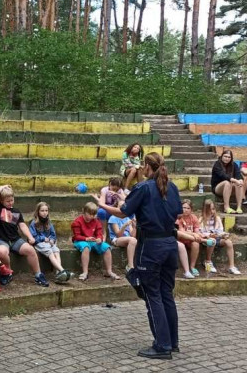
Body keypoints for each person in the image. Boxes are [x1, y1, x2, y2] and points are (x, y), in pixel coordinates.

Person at [92, 152, 182, 359]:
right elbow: (174, 211)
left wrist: (101, 204)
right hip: (170, 244)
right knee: (166, 293)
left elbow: (123, 212)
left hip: (151, 246)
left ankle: (162, 345)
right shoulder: (172, 186)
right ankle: (173, 341)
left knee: (152, 295)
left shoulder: (142, 187)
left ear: (147, 167)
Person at [0, 184, 49, 287]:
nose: (10, 202)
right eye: (7, 201)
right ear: (2, 201)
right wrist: (5, 186)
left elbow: (22, 225)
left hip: (15, 239)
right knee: (2, 252)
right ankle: (8, 272)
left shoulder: (16, 211)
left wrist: (30, 237)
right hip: (1, 239)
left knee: (30, 250)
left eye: (12, 200)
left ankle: (38, 275)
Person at [71, 202, 119, 281]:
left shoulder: (96, 221)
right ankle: (85, 272)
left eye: (93, 215)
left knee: (106, 247)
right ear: (84, 211)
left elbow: (99, 233)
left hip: (93, 241)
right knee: (86, 247)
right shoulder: (77, 222)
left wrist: (99, 239)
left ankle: (109, 271)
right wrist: (86, 239)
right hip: (80, 240)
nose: (91, 216)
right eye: (89, 214)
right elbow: (76, 236)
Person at [29, 202, 72, 284]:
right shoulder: (33, 223)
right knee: (50, 253)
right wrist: (43, 238)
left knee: (56, 251)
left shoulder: (49, 222)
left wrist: (52, 240)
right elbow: (33, 237)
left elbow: (53, 234)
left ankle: (58, 274)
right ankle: (62, 270)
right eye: (42, 211)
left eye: (46, 210)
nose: (45, 212)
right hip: (39, 243)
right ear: (38, 212)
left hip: (49, 243)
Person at [198, 199, 241, 275]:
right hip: (206, 239)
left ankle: (231, 266)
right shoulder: (201, 220)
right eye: (209, 209)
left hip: (217, 238)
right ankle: (208, 261)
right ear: (205, 210)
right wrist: (209, 235)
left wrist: (224, 235)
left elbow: (220, 231)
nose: (212, 211)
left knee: (229, 242)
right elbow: (200, 232)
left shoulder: (217, 219)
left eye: (213, 209)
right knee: (212, 241)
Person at [212, 149, 245, 214]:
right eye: (225, 156)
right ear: (222, 156)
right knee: (227, 182)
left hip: (231, 188)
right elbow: (223, 175)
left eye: (229, 157)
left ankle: (239, 207)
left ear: (231, 158)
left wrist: (240, 180)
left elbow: (238, 174)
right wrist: (234, 180)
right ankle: (226, 207)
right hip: (218, 188)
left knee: (239, 183)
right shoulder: (217, 164)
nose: (227, 158)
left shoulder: (234, 165)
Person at [175, 200, 202, 279]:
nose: (185, 210)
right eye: (184, 207)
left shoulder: (193, 218)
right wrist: (193, 234)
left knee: (196, 243)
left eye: (188, 208)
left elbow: (197, 229)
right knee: (182, 244)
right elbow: (181, 231)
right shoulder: (178, 217)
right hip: (180, 238)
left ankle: (192, 266)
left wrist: (196, 234)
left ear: (191, 210)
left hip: (191, 239)